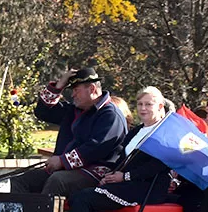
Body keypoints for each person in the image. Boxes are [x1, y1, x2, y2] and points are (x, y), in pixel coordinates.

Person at [59, 86, 173, 212]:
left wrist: (125, 176)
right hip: (127, 183)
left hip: (148, 187)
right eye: (140, 104)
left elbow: (158, 165)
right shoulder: (136, 131)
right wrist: (110, 175)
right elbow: (122, 159)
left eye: (148, 104)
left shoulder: (166, 133)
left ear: (160, 107)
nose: (142, 108)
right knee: (77, 196)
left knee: (84, 198)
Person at [11, 67, 126, 197]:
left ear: (92, 89)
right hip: (67, 169)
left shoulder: (110, 115)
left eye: (76, 90)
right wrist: (59, 86)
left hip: (97, 172)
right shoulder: (74, 110)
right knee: (20, 180)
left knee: (58, 181)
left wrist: (62, 161)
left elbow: (95, 148)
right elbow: (43, 112)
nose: (72, 95)